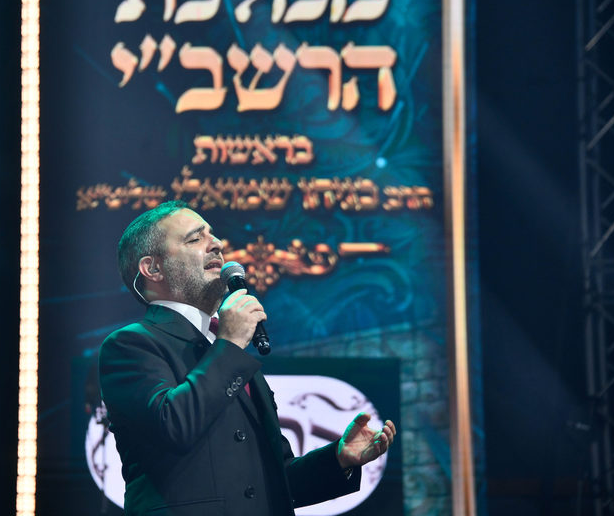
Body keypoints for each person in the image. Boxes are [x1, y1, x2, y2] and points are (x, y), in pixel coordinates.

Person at [99, 201, 396, 516]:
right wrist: (229, 343)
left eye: (212, 235)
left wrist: (339, 459)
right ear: (153, 269)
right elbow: (173, 427)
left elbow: (273, 480)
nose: (217, 244)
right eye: (195, 238)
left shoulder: (227, 351)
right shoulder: (131, 345)